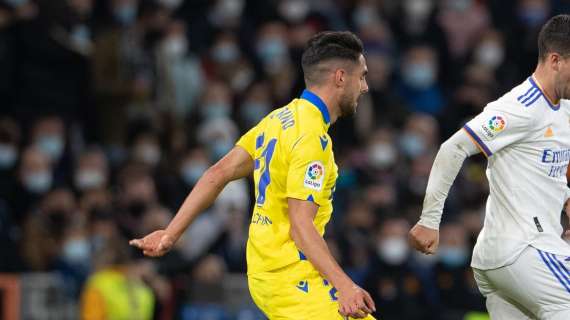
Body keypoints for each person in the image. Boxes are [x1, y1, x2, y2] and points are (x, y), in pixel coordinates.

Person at [130, 31, 376, 319]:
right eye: (361, 76)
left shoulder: (278, 119)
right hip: (289, 277)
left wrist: (170, 234)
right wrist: (344, 285)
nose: (365, 87)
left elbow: (218, 172)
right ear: (340, 77)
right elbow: (300, 225)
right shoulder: (312, 141)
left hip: (268, 270)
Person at [409, 14, 570, 319]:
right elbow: (453, 147)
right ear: (555, 60)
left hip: (505, 260)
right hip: (524, 249)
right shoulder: (520, 107)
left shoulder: (563, 107)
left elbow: (550, 170)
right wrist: (430, 219)